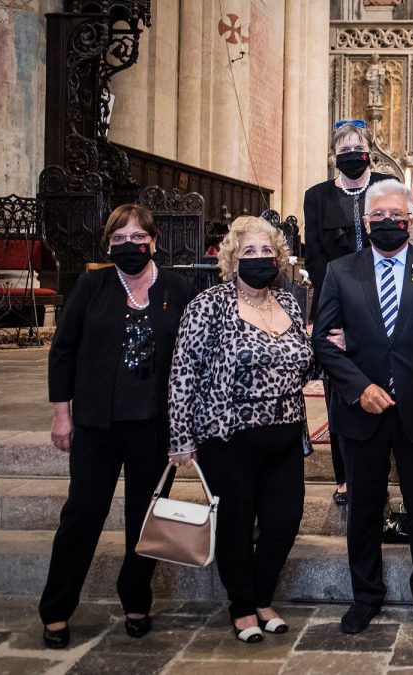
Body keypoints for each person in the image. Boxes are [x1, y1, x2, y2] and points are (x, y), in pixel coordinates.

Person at [312, 179, 413, 636]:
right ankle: (366, 596)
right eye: (379, 217)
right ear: (366, 222)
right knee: (363, 509)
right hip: (362, 411)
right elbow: (324, 340)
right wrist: (360, 388)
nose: (389, 223)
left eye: (398, 216)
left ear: (412, 221)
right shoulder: (340, 271)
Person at [40, 204, 194, 649]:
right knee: (82, 516)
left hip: (154, 425)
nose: (130, 246)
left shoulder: (178, 289)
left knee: (144, 521)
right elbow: (63, 351)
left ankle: (136, 599)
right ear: (108, 245)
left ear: (154, 241)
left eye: (138, 238)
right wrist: (61, 413)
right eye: (120, 240)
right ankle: (56, 608)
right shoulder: (92, 285)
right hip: (96, 424)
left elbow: (191, 357)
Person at [168, 216, 315, 644]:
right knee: (234, 523)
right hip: (227, 436)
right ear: (232, 259)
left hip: (285, 433)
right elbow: (183, 372)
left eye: (266, 251)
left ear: (278, 257)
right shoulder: (209, 304)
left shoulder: (288, 303)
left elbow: (301, 364)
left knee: (284, 521)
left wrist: (330, 348)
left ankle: (263, 594)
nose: (259, 258)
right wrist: (180, 438)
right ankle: (243, 606)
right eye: (248, 251)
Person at [304, 121, 394, 506]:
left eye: (358, 147)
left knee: (384, 381)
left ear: (369, 150)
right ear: (334, 156)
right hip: (336, 298)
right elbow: (315, 255)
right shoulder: (318, 195)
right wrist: (331, 311)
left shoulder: (386, 185)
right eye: (344, 149)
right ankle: (344, 476)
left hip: (383, 297)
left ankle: (385, 471)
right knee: (339, 388)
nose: (351, 154)